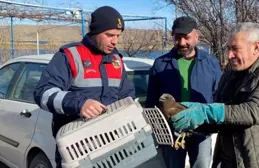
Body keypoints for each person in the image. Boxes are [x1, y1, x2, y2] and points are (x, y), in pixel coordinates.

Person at [169, 22, 259, 168]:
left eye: (235, 49)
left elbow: (252, 112)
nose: (229, 55)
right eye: (228, 48)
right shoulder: (229, 75)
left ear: (256, 47)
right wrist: (192, 121)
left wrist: (205, 111)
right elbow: (221, 118)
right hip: (227, 160)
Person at [33, 6, 135, 168]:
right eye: (109, 35)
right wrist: (79, 104)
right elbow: (43, 94)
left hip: (112, 148)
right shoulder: (69, 56)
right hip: (75, 151)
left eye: (117, 36)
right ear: (95, 32)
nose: (114, 41)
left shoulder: (117, 60)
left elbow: (127, 96)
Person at [145, 16, 222, 168]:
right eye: (177, 38)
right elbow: (151, 100)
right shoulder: (160, 64)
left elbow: (218, 96)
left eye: (186, 37)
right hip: (171, 133)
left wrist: (213, 126)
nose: (182, 43)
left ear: (196, 37)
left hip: (201, 131)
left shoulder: (210, 63)